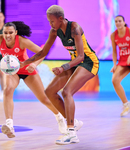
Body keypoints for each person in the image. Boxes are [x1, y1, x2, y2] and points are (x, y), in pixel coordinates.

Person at [0, 21, 83, 138]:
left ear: (15, 33)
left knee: (44, 99)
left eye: (10, 32)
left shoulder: (22, 41)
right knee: (7, 90)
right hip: (12, 72)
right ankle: (9, 125)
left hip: (27, 71)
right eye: (5, 32)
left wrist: (34, 65)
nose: (7, 35)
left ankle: (59, 117)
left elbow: (42, 52)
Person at [21, 5, 99, 145]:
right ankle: (73, 122)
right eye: (49, 22)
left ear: (61, 19)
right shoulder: (54, 31)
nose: (50, 25)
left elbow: (81, 56)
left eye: (52, 21)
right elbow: (43, 52)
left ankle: (71, 133)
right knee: (49, 92)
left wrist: (63, 67)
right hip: (74, 63)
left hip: (88, 62)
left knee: (67, 92)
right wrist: (24, 63)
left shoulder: (75, 28)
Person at [110, 15, 130, 116]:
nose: (118, 23)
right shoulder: (113, 35)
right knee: (114, 80)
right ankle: (126, 105)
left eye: (120, 21)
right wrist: (114, 64)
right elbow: (114, 51)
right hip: (123, 61)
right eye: (116, 21)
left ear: (124, 22)